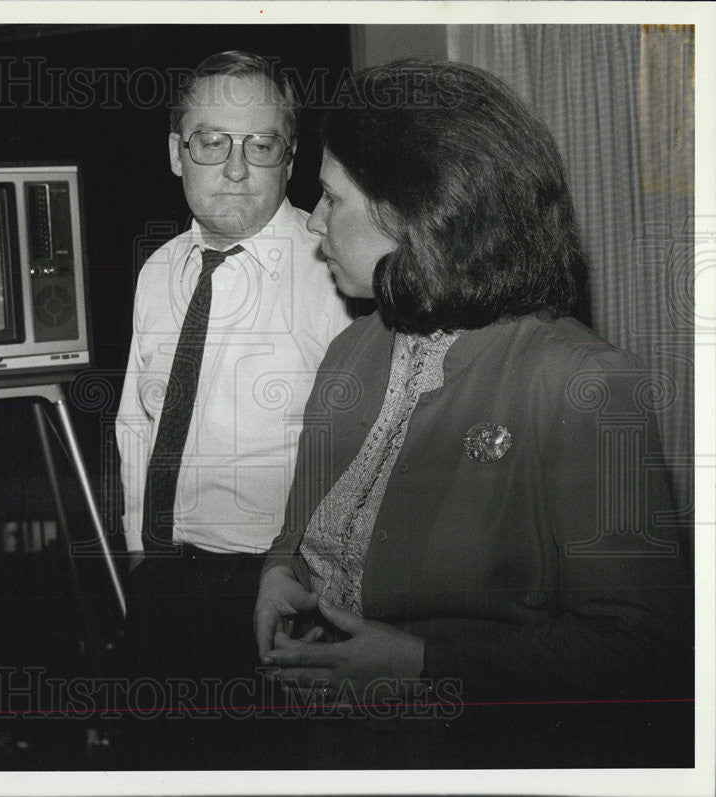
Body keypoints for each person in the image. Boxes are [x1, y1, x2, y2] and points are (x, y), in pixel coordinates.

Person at [253, 59, 693, 769]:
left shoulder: (578, 382)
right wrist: (280, 573)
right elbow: (302, 532)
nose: (313, 220)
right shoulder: (349, 351)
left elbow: (648, 653)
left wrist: (424, 666)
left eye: (332, 198)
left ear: (412, 213)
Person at [114, 51, 351, 765]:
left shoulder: (335, 275)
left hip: (275, 599)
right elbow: (137, 422)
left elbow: (363, 456)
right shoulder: (160, 271)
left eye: (262, 144)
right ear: (176, 153)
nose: (237, 169)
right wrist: (139, 555)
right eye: (212, 142)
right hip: (163, 588)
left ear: (291, 156)